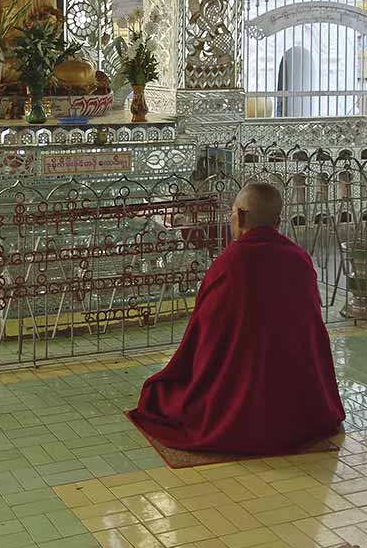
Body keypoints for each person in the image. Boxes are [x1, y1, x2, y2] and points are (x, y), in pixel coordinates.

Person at [128, 182, 345, 455]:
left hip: (236, 400)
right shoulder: (299, 260)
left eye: (231, 212)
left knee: (158, 395)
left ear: (240, 216)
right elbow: (311, 334)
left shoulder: (230, 265)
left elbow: (205, 340)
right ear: (277, 220)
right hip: (299, 403)